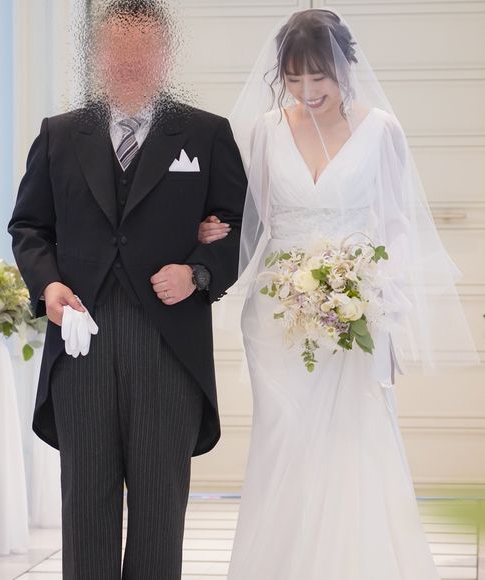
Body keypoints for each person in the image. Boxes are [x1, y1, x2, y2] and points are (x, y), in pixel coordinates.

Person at [198, 9, 477, 579]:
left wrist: (381, 299)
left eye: (319, 76)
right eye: (294, 77)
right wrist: (212, 233)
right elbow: (253, 217)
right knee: (285, 438)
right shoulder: (267, 129)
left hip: (356, 308)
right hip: (277, 313)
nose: (307, 90)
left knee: (354, 438)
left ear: (346, 66)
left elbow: (397, 224)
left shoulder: (381, 129)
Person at [7, 1, 247, 578]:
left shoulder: (206, 134)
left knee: (160, 509)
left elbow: (241, 229)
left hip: (169, 347)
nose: (129, 60)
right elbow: (29, 227)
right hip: (82, 344)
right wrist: (49, 284)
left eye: (142, 48)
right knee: (85, 510)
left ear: (164, 55)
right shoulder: (60, 134)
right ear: (98, 55)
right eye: (117, 47)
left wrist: (197, 272)